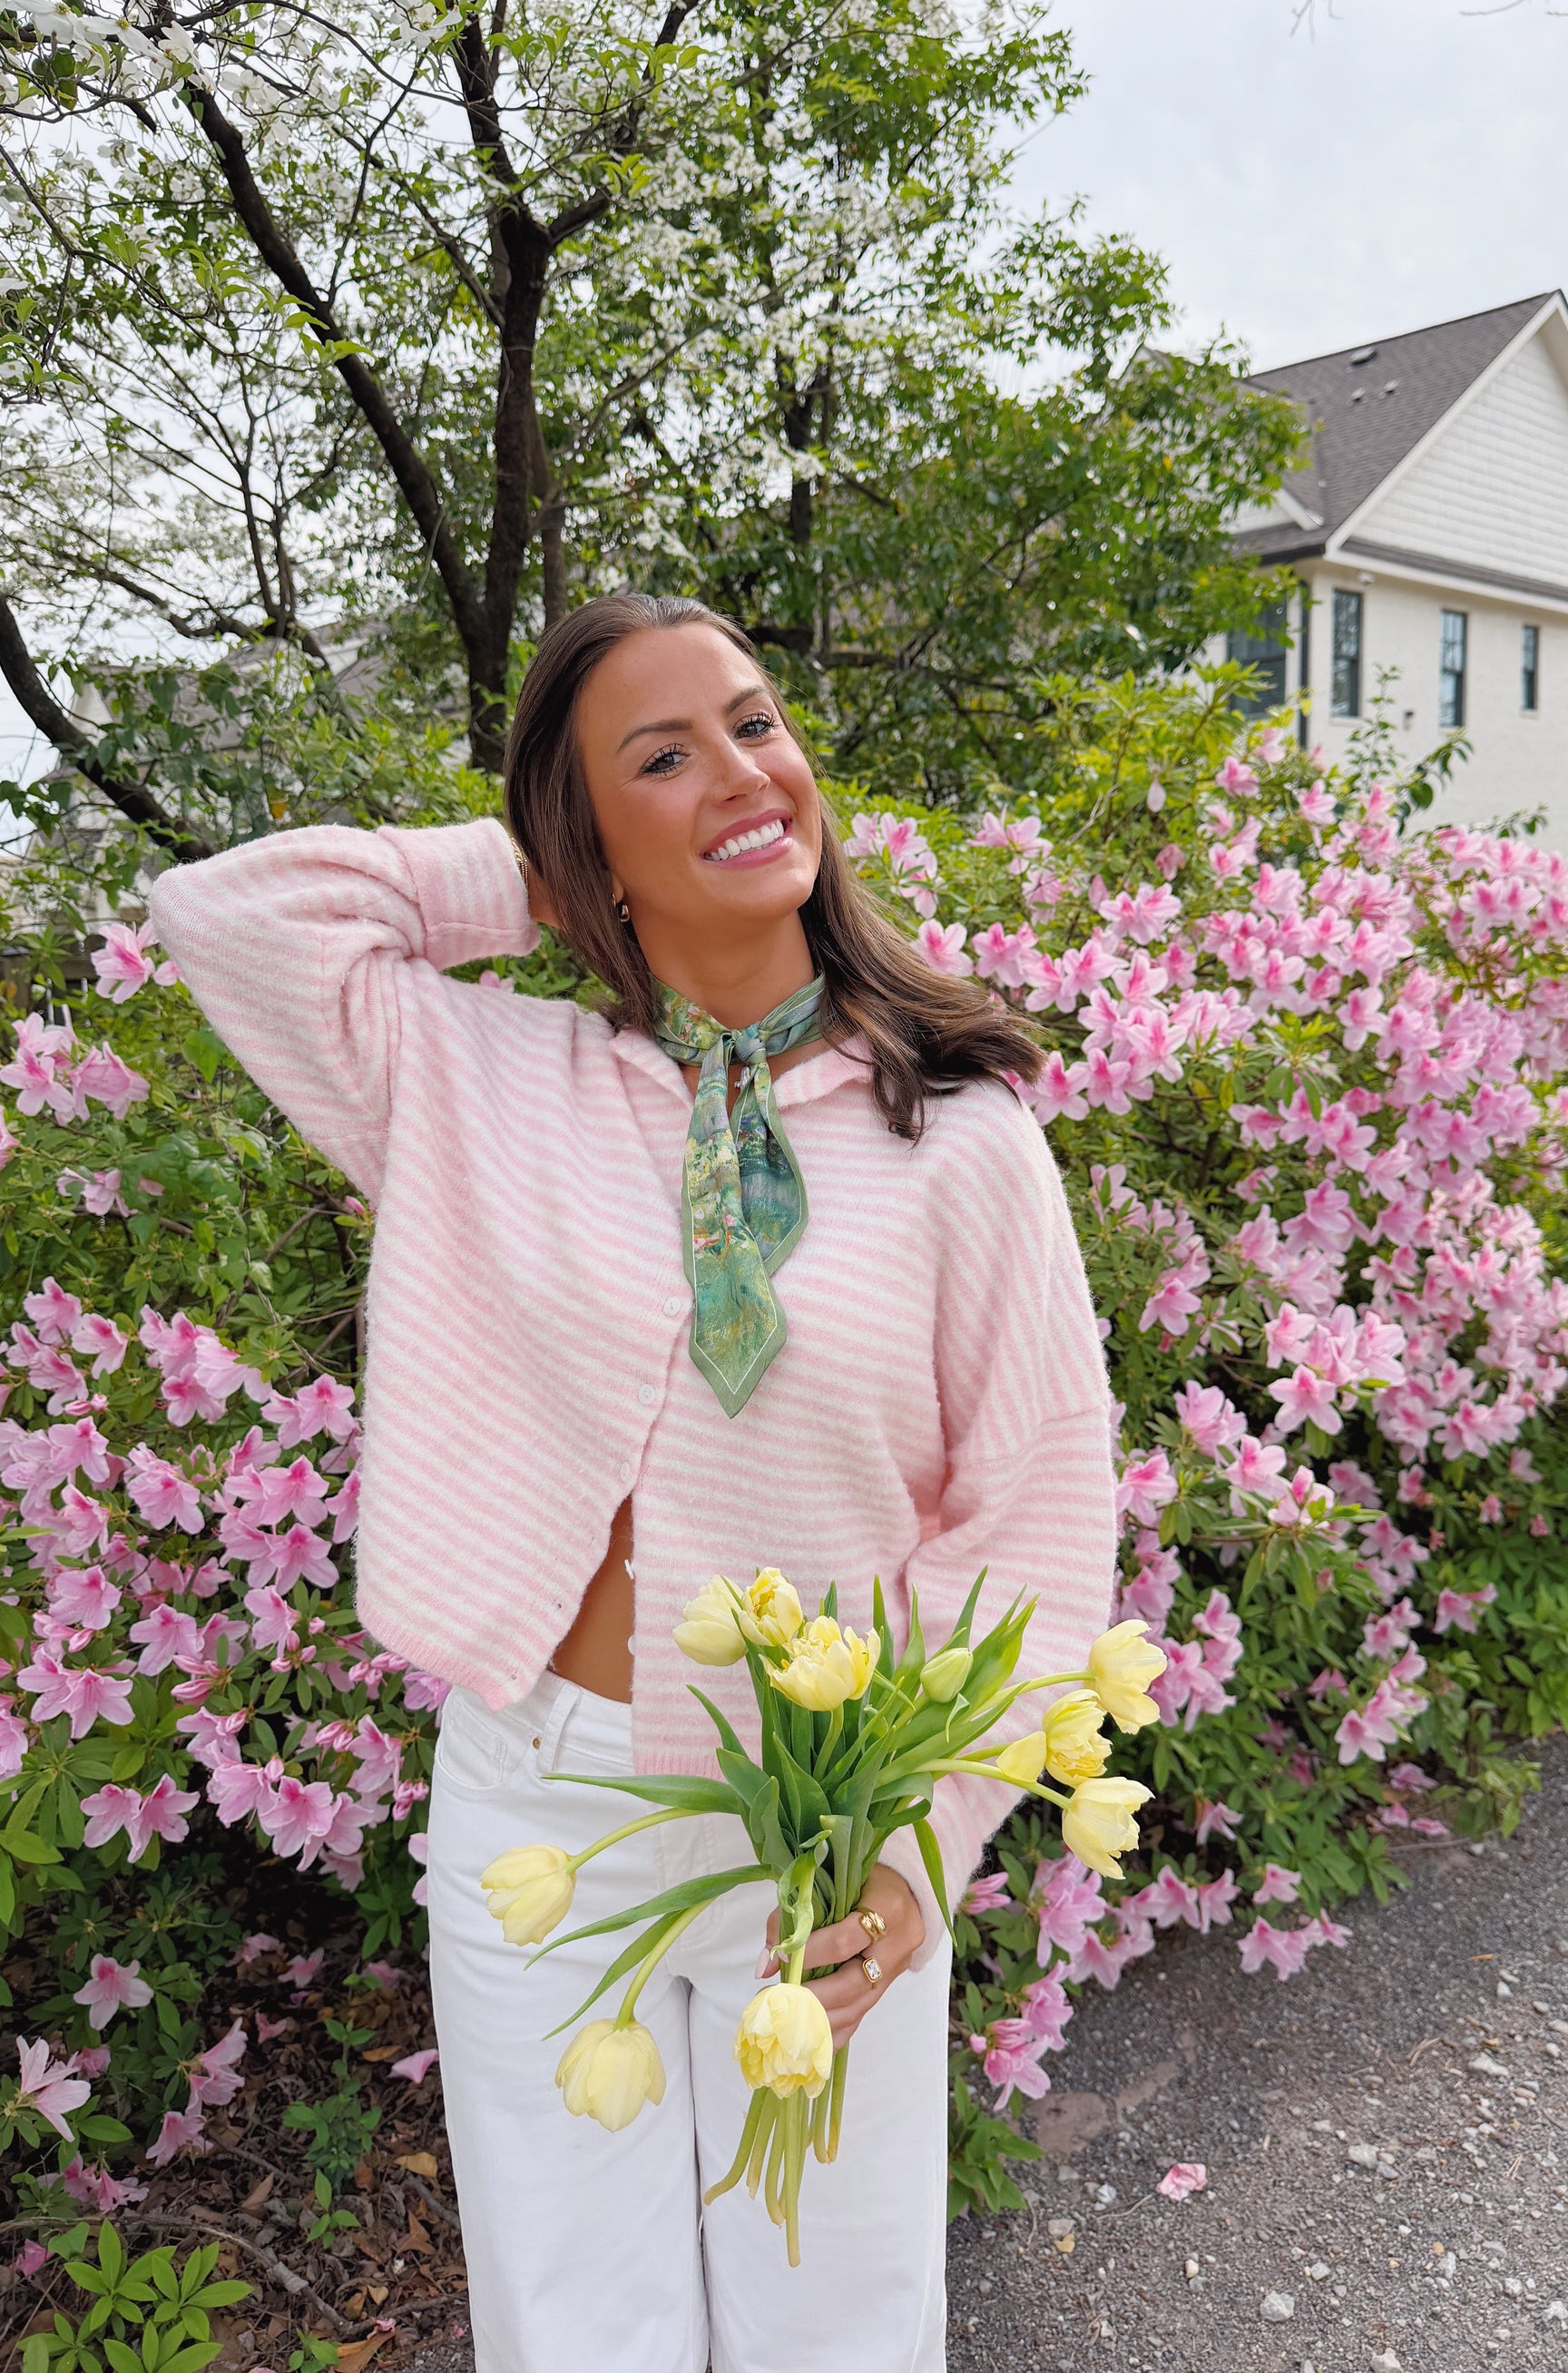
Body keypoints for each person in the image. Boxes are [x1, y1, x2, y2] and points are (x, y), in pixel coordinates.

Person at [150, 593, 1119, 2373]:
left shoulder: (962, 1136)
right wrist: (538, 869)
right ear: (580, 836)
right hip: (542, 1799)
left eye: (756, 724)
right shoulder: (479, 1080)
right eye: (662, 756)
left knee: (835, 2324)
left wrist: (927, 1844)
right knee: (574, 2332)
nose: (745, 773)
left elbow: (1038, 1520)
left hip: (821, 1818)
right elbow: (229, 917)